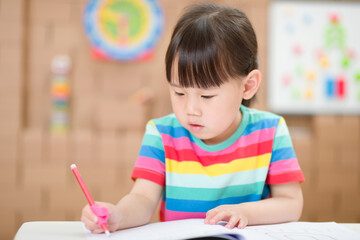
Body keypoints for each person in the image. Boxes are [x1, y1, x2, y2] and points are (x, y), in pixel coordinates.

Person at [81, 2, 305, 233]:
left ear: (247, 86)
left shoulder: (271, 131)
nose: (190, 109)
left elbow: (291, 203)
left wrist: (245, 213)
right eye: (179, 92)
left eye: (206, 95)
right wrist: (118, 215)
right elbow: (142, 199)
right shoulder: (162, 134)